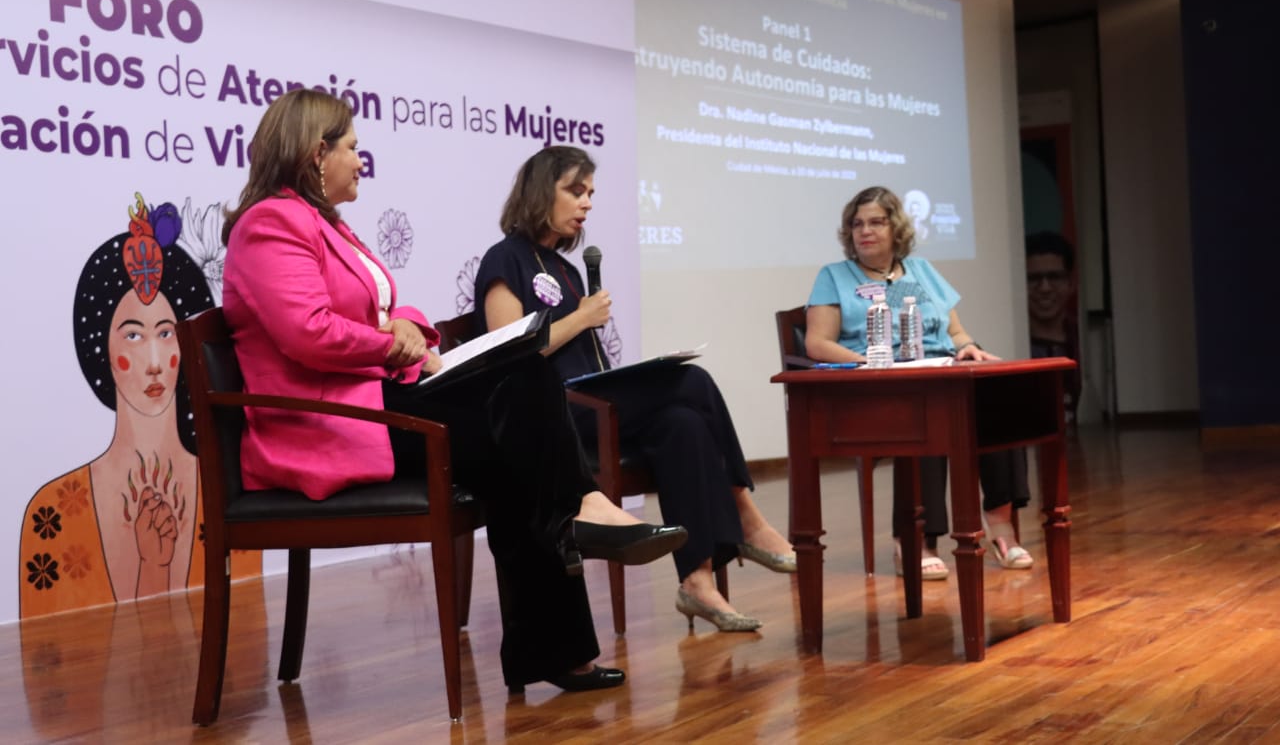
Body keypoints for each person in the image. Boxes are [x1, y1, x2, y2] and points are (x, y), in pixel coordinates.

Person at [219, 89, 686, 694]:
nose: (361, 160)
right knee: (520, 417)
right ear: (316, 153)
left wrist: (405, 326)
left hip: (373, 403)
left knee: (521, 413)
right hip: (327, 423)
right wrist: (389, 342)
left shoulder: (326, 223)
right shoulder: (269, 223)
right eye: (352, 148)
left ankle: (563, 603)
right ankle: (579, 528)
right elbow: (306, 331)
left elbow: (382, 307)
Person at [474, 145, 795, 633]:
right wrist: (582, 317)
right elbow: (508, 355)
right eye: (575, 190)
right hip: (550, 418)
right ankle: (746, 513)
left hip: (593, 403)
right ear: (540, 192)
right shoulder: (504, 259)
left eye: (590, 193)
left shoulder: (568, 269)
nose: (587, 203)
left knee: (683, 424)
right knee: (692, 381)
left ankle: (697, 581)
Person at [20, 196, 261, 618]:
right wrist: (153, 568)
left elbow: (246, 635)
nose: (154, 363)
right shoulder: (53, 514)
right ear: (102, 350)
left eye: (166, 333)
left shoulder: (227, 491)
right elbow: (48, 656)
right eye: (133, 336)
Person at [805, 185, 1033, 575]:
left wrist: (969, 348)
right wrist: (871, 362)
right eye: (857, 224)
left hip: (938, 368)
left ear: (896, 228)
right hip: (879, 385)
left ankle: (1000, 526)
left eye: (876, 222)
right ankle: (917, 539)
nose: (865, 231)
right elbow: (817, 343)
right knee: (928, 410)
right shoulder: (834, 276)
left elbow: (955, 331)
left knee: (998, 398)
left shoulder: (922, 271)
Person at [1025, 230, 1081, 422]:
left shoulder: (1085, 344)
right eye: (1033, 279)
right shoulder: (1010, 344)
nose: (1045, 288)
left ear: (1071, 283)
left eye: (1054, 277)